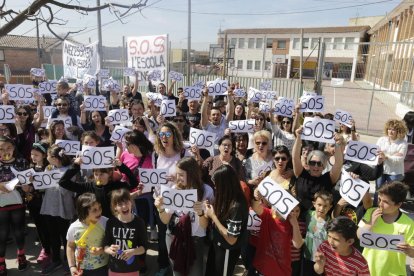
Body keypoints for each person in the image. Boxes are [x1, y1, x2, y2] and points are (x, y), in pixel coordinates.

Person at [155, 157, 214, 276]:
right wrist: (160, 208)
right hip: (174, 237)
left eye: (181, 175)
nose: (177, 178)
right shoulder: (173, 190)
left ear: (192, 174)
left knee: (196, 273)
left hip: (195, 240)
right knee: (177, 272)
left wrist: (201, 213)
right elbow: (165, 219)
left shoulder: (207, 191)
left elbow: (204, 225)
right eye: (177, 174)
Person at [152, 122, 192, 276]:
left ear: (174, 135)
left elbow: (191, 175)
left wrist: (176, 180)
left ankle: (183, 264)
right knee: (162, 235)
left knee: (180, 234)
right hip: (161, 201)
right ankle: (164, 265)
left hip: (179, 201)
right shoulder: (156, 154)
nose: (164, 138)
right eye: (161, 135)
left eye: (168, 134)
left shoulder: (183, 154)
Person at [357, 181, 414, 276]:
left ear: (398, 204)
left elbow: (412, 252)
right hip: (367, 271)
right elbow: (359, 235)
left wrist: (409, 250)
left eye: (386, 202)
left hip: (394, 273)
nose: (380, 204)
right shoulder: (371, 212)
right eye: (379, 199)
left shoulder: (409, 224)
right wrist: (370, 224)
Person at [204, 164, 248, 276]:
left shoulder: (236, 206)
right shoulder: (226, 196)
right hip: (217, 245)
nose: (215, 187)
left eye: (217, 184)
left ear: (224, 184)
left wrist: (213, 216)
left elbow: (231, 239)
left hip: (227, 250)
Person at [58, 157, 138, 218]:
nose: (98, 177)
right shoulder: (87, 186)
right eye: (96, 174)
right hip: (96, 223)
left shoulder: (117, 186)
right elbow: (63, 182)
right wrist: (75, 166)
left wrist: (121, 166)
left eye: (102, 174)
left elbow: (134, 183)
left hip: (113, 222)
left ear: (109, 174)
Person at [250, 188, 303, 276]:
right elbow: (255, 206)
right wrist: (256, 196)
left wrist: (295, 225)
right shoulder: (268, 214)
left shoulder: (291, 223)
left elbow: (298, 244)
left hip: (282, 271)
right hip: (263, 268)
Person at [40, 145, 75, 275]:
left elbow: (68, 191)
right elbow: (43, 187)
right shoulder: (48, 168)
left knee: (65, 235)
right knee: (52, 234)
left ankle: (68, 260)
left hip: (63, 207)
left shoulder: (70, 170)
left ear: (54, 158)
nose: (47, 158)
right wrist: (37, 181)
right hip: (49, 206)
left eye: (48, 155)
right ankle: (56, 259)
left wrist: (59, 182)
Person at [292, 126, 344, 210]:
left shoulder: (328, 179)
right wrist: (298, 137)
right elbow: (295, 157)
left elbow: (338, 164)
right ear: (308, 164)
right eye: (312, 163)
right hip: (298, 217)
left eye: (319, 164)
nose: (316, 166)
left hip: (318, 220)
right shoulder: (301, 174)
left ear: (324, 166)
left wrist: (337, 144)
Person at [0, 136, 30, 275]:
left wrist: (26, 187)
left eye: (8, 148)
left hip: (17, 202)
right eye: (1, 149)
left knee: (18, 231)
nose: (5, 151)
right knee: (2, 234)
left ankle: (21, 255)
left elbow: (28, 184)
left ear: (13, 148)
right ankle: (1, 261)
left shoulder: (22, 162)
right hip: (0, 204)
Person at [104, 189, 147, 276]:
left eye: (126, 202)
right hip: (114, 268)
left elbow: (144, 248)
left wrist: (133, 251)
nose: (124, 206)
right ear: (115, 207)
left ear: (131, 202)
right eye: (120, 204)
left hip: (132, 268)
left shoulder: (139, 222)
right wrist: (110, 250)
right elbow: (105, 246)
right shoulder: (111, 222)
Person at [67, 193, 109, 276]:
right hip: (81, 268)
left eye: (100, 207)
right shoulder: (74, 227)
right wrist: (72, 266)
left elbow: (112, 242)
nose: (99, 211)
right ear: (84, 211)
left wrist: (102, 249)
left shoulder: (105, 222)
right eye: (94, 210)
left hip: (103, 266)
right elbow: (70, 246)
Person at [302, 190, 333, 276]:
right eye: (319, 205)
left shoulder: (330, 223)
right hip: (307, 256)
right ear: (314, 203)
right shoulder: (308, 215)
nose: (322, 209)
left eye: (325, 206)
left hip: (321, 260)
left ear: (330, 207)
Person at [375, 119, 408, 193]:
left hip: (395, 172)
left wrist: (386, 156)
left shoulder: (403, 143)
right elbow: (376, 152)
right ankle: (376, 204)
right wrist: (393, 155)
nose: (390, 131)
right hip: (381, 169)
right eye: (389, 129)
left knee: (391, 192)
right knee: (378, 190)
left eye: (393, 130)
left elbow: (399, 159)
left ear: (399, 131)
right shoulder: (381, 140)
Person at [200, 87, 234, 152]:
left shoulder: (225, 123)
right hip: (209, 156)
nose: (216, 116)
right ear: (209, 117)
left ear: (221, 116)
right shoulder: (206, 125)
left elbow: (231, 112)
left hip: (222, 155)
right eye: (213, 114)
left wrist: (229, 96)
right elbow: (203, 113)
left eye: (218, 115)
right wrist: (205, 97)